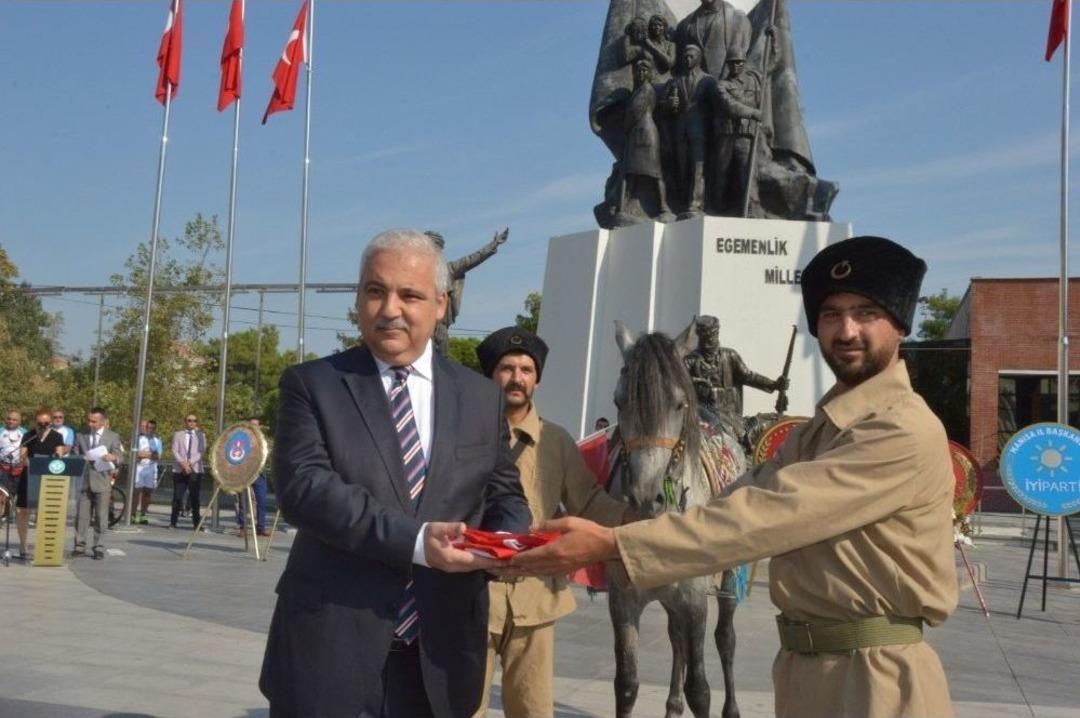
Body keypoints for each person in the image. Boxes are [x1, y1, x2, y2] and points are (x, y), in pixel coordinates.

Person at [509, 236, 959, 718]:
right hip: (808, 669)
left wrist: (613, 546)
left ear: (900, 324)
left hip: (875, 680)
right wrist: (622, 527)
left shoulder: (899, 428)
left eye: (866, 312)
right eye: (830, 315)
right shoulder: (820, 430)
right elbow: (737, 498)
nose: (846, 330)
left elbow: (768, 515)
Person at [259, 228, 531, 718]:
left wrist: (506, 544)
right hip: (331, 649)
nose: (390, 309)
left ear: (441, 304)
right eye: (375, 291)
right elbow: (304, 489)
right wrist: (418, 541)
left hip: (442, 657)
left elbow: (503, 491)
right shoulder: (313, 384)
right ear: (359, 297)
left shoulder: (479, 397)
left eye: (410, 295)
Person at [472, 327, 632, 718]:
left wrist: (639, 523)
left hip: (536, 600)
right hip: (472, 598)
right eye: (506, 368)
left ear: (537, 379)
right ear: (490, 377)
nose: (516, 377)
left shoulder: (556, 441)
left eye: (526, 369)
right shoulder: (462, 435)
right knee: (462, 707)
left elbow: (590, 501)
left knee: (533, 710)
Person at [683, 314, 786, 438]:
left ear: (716, 336)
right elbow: (680, 387)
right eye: (705, 340)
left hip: (732, 418)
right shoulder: (690, 361)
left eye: (711, 338)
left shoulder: (730, 356)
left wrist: (774, 384)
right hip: (705, 419)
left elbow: (749, 376)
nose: (708, 344)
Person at [425, 229, 508, 355]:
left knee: (440, 364)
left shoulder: (450, 269)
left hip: (439, 327)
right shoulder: (413, 272)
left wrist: (494, 244)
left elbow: (472, 259)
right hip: (419, 326)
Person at [616, 58, 673, 225]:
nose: (640, 74)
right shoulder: (638, 90)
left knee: (654, 172)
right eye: (638, 71)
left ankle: (663, 206)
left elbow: (635, 112)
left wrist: (626, 126)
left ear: (649, 74)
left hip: (644, 134)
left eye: (644, 71)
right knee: (630, 172)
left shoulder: (646, 90)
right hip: (638, 133)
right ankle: (623, 205)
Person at [712, 53, 764, 215]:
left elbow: (770, 66)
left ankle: (751, 206)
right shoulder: (722, 85)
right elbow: (729, 105)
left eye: (739, 63)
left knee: (746, 169)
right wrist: (752, 113)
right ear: (728, 65)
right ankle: (718, 205)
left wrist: (774, 40)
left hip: (744, 134)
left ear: (744, 64)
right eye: (733, 63)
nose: (736, 66)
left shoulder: (753, 82)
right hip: (727, 133)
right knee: (722, 171)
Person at [15, 409, 69, 559]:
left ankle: (42, 547)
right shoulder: (29, 435)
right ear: (35, 422)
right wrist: (29, 463)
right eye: (40, 423)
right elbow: (22, 456)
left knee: (44, 513)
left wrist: (53, 460)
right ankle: (23, 546)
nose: (43, 426)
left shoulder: (57, 436)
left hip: (48, 479)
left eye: (46, 423)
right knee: (23, 512)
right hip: (29, 476)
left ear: (50, 422)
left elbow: (59, 456)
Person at [72, 407, 123, 560]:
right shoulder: (81, 435)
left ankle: (98, 547)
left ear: (102, 421)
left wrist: (113, 457)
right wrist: (82, 458)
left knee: (101, 516)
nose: (90, 424)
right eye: (89, 420)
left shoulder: (113, 436)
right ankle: (79, 545)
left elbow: (121, 456)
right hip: (84, 481)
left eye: (94, 421)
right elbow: (74, 455)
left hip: (102, 480)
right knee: (82, 516)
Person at [673, 0, 752, 77]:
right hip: (696, 87)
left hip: (724, 84)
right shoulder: (686, 24)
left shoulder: (737, 18)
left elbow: (740, 58)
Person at [170, 414, 206, 530]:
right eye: (189, 420)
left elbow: (201, 451)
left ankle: (197, 524)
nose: (191, 423)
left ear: (196, 422)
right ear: (185, 422)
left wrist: (189, 463)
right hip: (180, 468)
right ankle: (173, 522)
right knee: (177, 496)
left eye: (194, 421)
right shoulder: (178, 434)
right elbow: (175, 450)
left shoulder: (201, 435)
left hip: (195, 469)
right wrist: (183, 463)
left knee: (195, 498)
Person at [236, 417, 269, 537]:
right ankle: (242, 527)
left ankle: (261, 527)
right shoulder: (242, 439)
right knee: (243, 502)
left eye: (256, 425)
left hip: (259, 474)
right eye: (251, 424)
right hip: (245, 474)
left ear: (259, 426)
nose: (254, 427)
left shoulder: (263, 440)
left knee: (262, 501)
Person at [132, 419, 162, 525]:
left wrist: (145, 454)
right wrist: (147, 455)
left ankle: (143, 514)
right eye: (148, 428)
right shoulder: (138, 439)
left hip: (151, 468)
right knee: (136, 491)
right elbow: (136, 455)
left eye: (153, 428)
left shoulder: (157, 441)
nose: (150, 430)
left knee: (147, 492)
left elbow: (158, 456)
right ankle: (133, 514)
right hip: (139, 468)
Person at [0, 411, 27, 523]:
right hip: (3, 466)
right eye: (9, 419)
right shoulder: (1, 431)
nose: (11, 421)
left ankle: (9, 513)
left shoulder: (25, 433)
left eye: (14, 419)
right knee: (2, 493)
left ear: (20, 421)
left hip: (19, 468)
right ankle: (2, 516)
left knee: (14, 493)